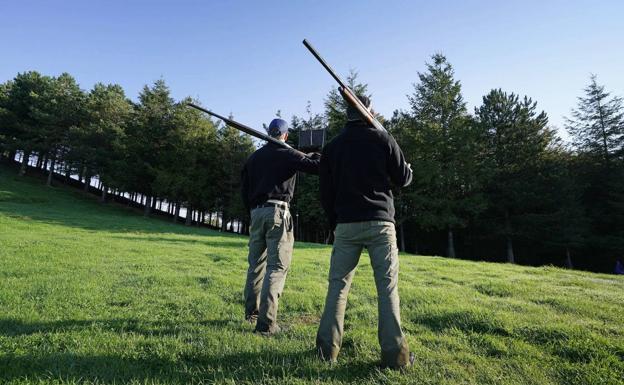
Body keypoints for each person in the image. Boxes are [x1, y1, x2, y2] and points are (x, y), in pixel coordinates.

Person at [316, 95, 414, 369]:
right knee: (387, 289)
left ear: (347, 113)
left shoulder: (333, 147)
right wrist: (407, 168)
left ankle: (327, 351)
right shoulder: (383, 139)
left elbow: (326, 193)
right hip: (381, 224)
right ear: (369, 111)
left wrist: (335, 222)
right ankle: (395, 357)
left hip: (346, 225)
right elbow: (403, 178)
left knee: (337, 288)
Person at [241, 118, 320, 335]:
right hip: (278, 212)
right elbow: (318, 167)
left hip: (256, 213)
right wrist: (313, 154)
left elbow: (244, 189)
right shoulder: (288, 153)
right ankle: (266, 325)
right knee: (276, 268)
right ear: (285, 135)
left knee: (255, 266)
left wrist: (253, 211)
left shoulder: (254, 157)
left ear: (269, 133)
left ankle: (251, 314)